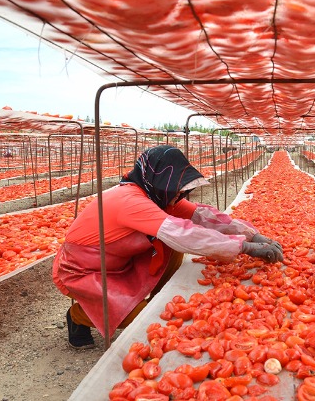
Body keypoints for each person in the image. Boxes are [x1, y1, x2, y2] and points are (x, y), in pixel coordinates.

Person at [53, 145, 283, 349]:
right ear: (159, 182)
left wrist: (253, 235)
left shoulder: (154, 195)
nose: (180, 195)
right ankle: (78, 316)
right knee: (134, 317)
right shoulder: (130, 201)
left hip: (117, 260)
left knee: (171, 247)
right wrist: (245, 248)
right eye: (176, 189)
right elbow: (183, 234)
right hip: (82, 269)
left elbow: (203, 217)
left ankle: (155, 301)